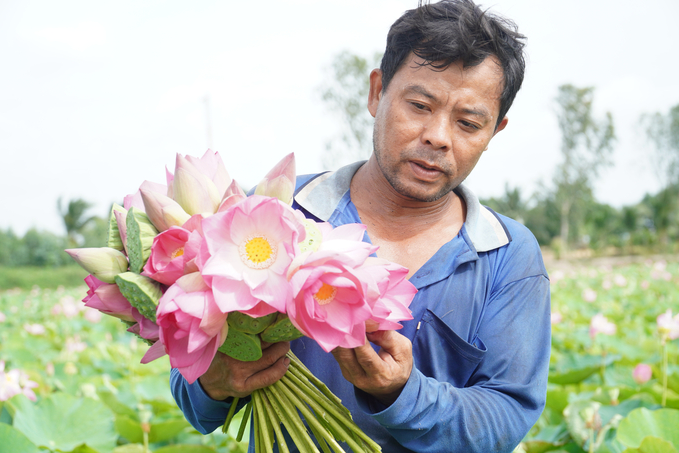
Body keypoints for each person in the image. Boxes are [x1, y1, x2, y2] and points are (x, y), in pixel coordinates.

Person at [171, 0, 551, 451]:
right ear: (377, 93)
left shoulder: (509, 255)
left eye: (468, 123)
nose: (438, 136)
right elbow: (189, 389)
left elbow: (505, 417)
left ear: (495, 131)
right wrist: (213, 383)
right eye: (419, 105)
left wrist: (403, 395)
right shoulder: (274, 214)